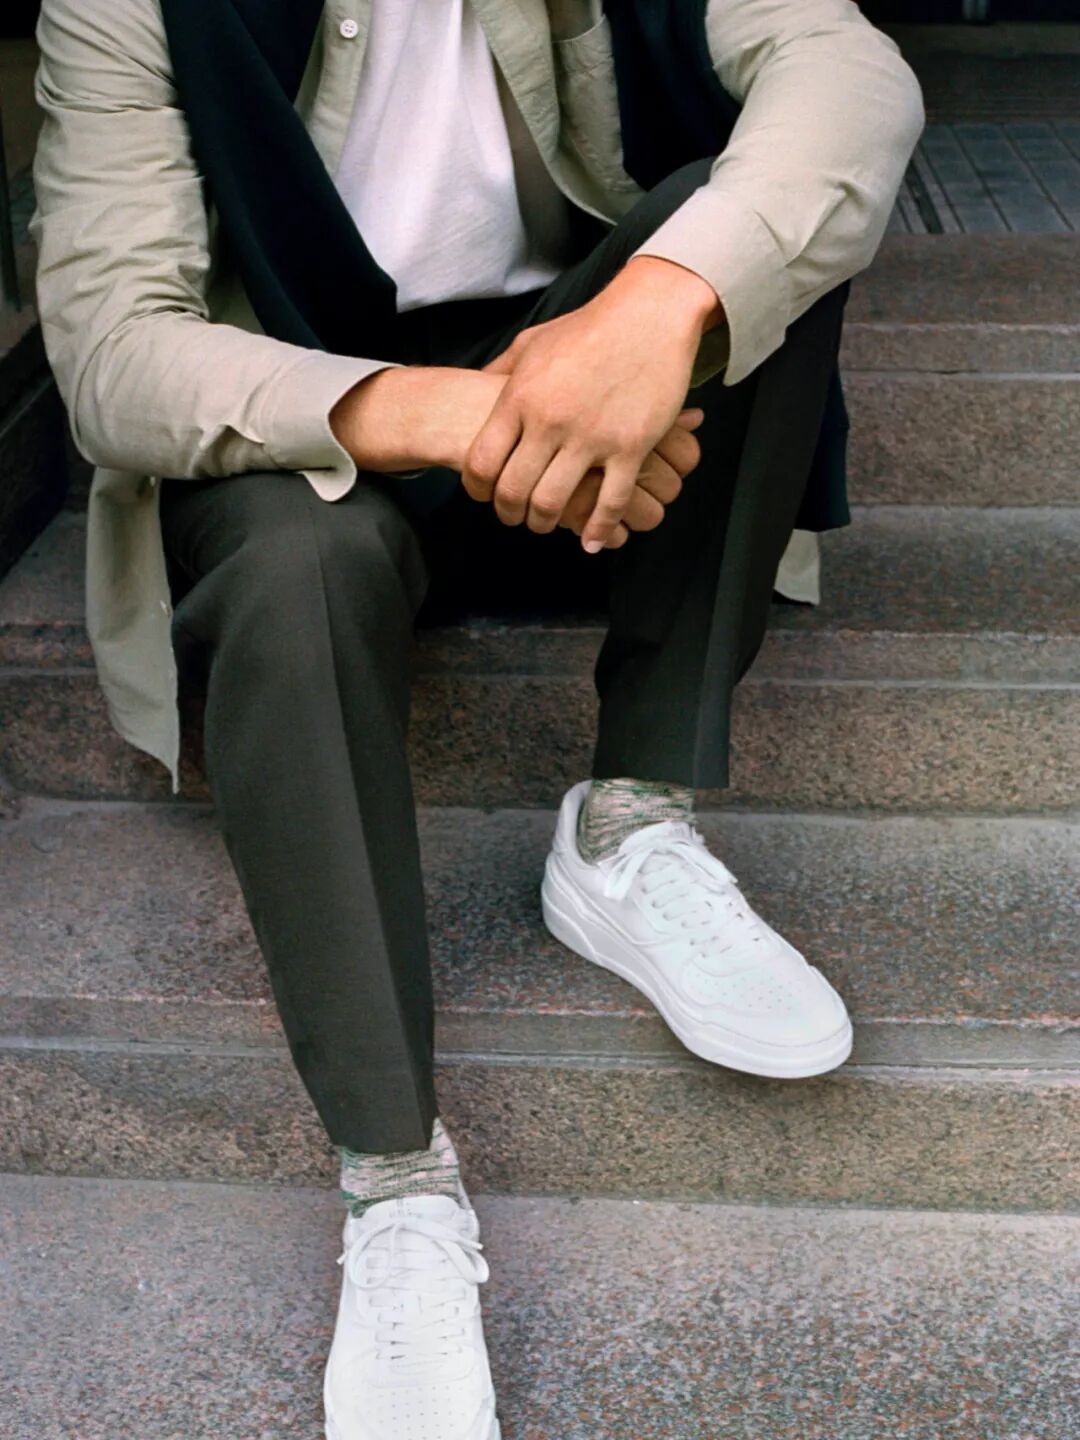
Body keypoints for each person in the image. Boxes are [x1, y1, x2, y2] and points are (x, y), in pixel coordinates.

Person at [30, 1, 923, 1435]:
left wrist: (653, 311)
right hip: (310, 431)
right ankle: (397, 1187)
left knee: (752, 228)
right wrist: (458, 416)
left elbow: (850, 73)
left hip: (589, 430)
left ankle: (629, 823)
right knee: (295, 569)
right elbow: (114, 351)